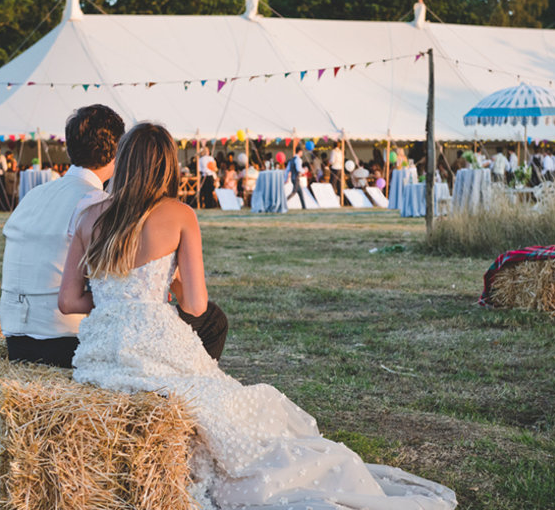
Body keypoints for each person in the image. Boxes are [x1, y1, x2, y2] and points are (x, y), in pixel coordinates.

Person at [58, 122, 457, 510]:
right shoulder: (179, 214)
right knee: (227, 408)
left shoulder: (87, 216)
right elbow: (196, 306)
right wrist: (153, 297)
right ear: (167, 164)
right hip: (152, 338)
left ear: (123, 160)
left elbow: (69, 302)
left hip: (102, 351)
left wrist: (118, 301)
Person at [1, 104, 230, 367]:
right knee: (211, 320)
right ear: (116, 151)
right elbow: (184, 296)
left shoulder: (33, 196)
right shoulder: (100, 205)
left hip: (15, 337)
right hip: (68, 338)